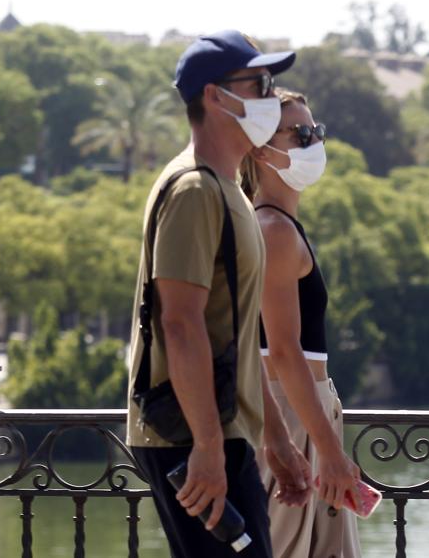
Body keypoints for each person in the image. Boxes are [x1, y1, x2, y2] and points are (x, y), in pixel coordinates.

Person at [126, 30, 313, 558]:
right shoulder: (194, 190)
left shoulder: (227, 187)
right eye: (258, 83)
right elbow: (179, 323)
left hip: (219, 434)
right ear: (214, 95)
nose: (268, 96)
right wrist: (207, 446)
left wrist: (273, 436)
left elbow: (232, 334)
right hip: (190, 439)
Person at [241, 89, 364, 557]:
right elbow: (284, 351)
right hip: (291, 416)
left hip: (302, 413)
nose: (314, 143)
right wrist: (329, 451)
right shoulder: (272, 231)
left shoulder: (278, 226)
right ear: (259, 148)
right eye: (300, 133)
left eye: (317, 132)